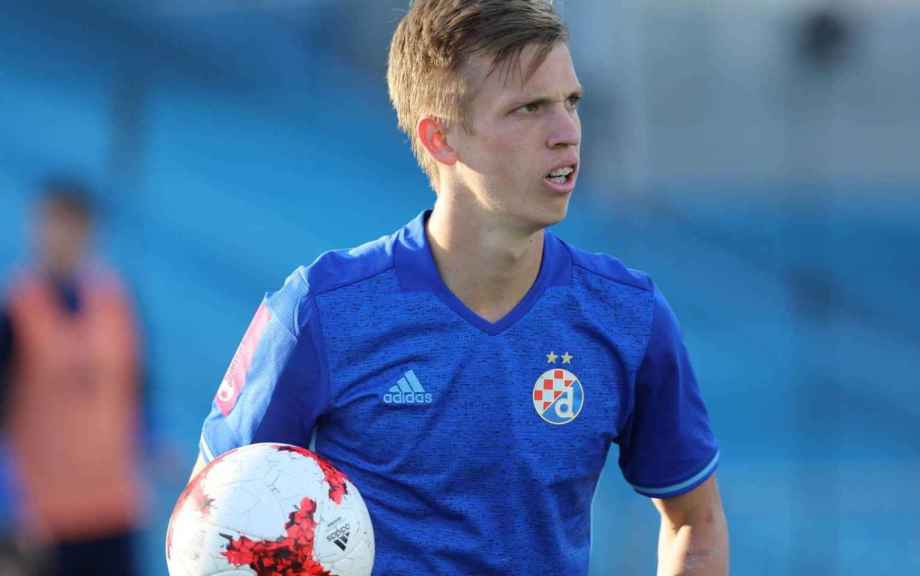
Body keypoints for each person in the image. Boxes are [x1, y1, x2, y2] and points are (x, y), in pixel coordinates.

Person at [193, 1, 729, 573]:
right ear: (441, 137)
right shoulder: (321, 310)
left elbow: (695, 520)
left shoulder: (628, 316)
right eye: (528, 108)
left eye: (570, 102)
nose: (566, 132)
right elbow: (213, 517)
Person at [0, 179, 143, 575]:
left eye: (73, 226)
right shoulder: (17, 310)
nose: (61, 238)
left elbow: (138, 388)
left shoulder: (116, 301)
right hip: (44, 515)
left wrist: (151, 443)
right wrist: (11, 505)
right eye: (51, 224)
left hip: (115, 503)